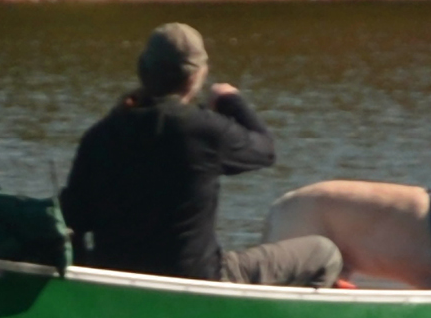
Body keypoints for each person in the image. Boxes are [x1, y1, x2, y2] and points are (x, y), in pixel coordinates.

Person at [60, 23, 348, 287]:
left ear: (143, 70)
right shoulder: (204, 130)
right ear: (198, 75)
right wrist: (231, 100)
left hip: (113, 275)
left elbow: (73, 218)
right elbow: (265, 149)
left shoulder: (100, 135)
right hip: (198, 278)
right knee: (325, 252)